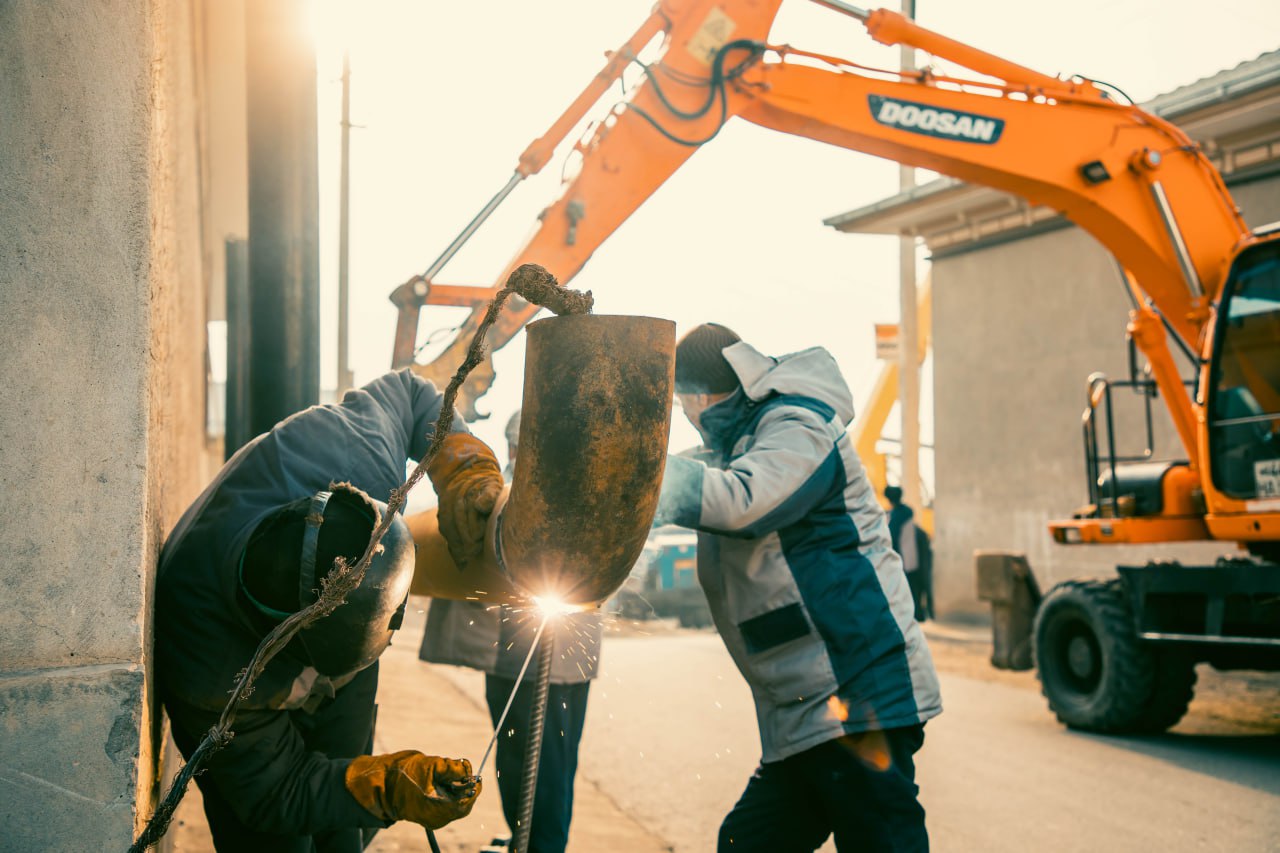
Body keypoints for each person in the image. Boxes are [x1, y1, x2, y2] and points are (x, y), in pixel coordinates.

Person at [155, 369, 504, 851]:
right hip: (246, 700)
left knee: (344, 834)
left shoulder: (355, 461)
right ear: (300, 653)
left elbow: (412, 393)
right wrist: (389, 790)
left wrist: (466, 469)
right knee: (274, 842)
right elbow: (279, 791)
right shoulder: (210, 670)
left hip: (331, 641)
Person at [654, 323, 942, 853]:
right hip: (808, 701)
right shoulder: (740, 440)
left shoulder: (796, 424)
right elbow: (688, 483)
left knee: (880, 837)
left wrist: (640, 477)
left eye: (682, 401)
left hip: (856, 686)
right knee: (749, 842)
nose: (687, 417)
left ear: (700, 395)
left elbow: (746, 499)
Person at [420, 409, 603, 853]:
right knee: (521, 761)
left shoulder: (565, 495)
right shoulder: (514, 493)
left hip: (550, 661)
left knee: (543, 771)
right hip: (520, 656)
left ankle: (540, 844)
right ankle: (526, 835)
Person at [884, 485, 933, 622]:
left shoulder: (897, 515)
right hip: (910, 560)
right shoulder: (902, 513)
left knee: (909, 590)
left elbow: (892, 537)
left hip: (904, 559)